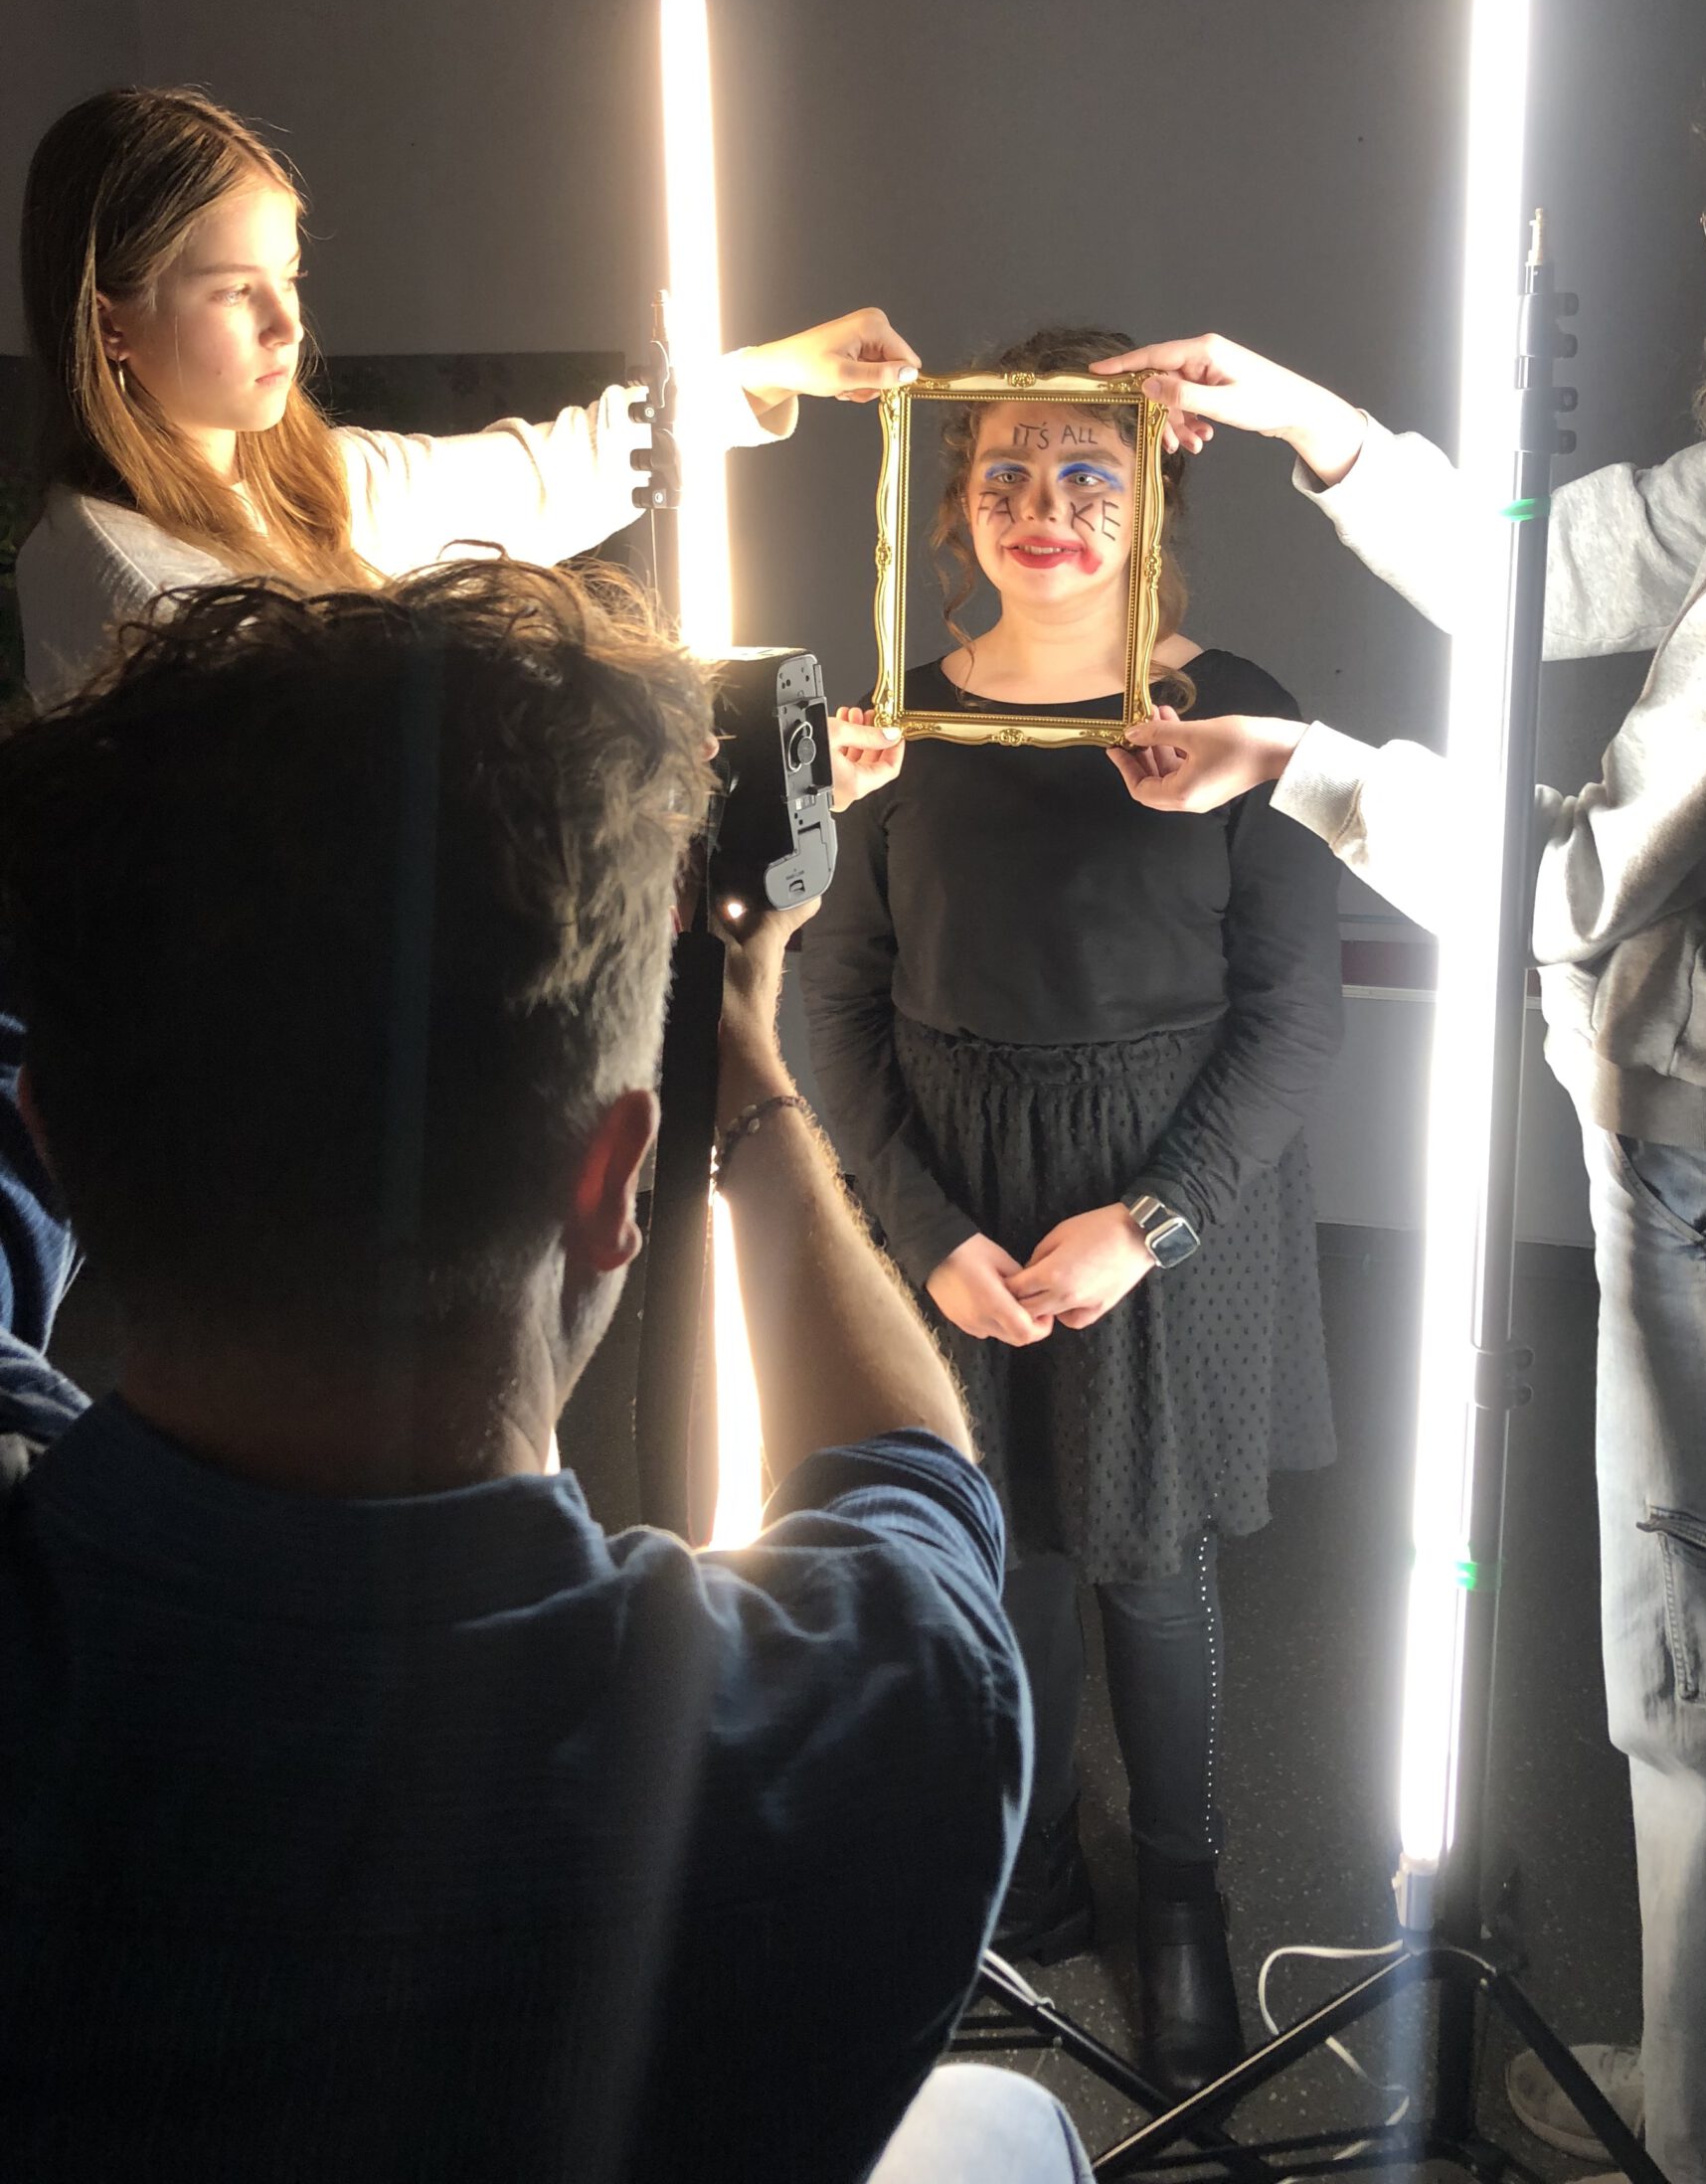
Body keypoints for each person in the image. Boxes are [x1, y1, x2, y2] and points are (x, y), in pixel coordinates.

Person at [1097, 0, 1706, 2184]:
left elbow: (1589, 883)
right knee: (1704, 1678)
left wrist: (1306, 769)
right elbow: (1544, 561)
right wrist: (1304, 420)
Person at [0, 559, 1089, 2183]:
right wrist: (744, 1057)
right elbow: (910, 1481)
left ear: (61, 1134)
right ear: (612, 1182)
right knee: (1012, 2130)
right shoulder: (848, 1740)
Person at [801, 326, 1345, 2096]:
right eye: (1011, 472)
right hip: (957, 1190)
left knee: (1150, 1560)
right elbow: (836, 1001)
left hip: (1159, 1188)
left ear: (1153, 494)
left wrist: (1152, 1221)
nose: (1048, 505)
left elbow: (1293, 1016)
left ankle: (1181, 1897)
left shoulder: (1235, 711)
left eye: (1089, 472)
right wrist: (921, 1230)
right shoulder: (900, 718)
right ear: (954, 500)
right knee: (1008, 1547)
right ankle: (1022, 1873)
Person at [11, 84, 918, 754]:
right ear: (109, 321)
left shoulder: (306, 479)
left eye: (288, 277)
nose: (287, 325)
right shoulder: (137, 592)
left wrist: (761, 373)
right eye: (232, 291)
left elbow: (537, 481)